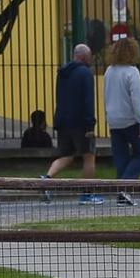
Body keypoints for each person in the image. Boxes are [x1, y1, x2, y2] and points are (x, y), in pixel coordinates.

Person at [42, 44, 100, 204]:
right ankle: (87, 194)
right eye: (89, 56)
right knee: (89, 157)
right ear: (83, 56)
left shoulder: (62, 73)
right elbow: (88, 100)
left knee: (66, 155)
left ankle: (46, 179)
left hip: (63, 120)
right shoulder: (85, 73)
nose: (91, 59)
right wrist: (90, 126)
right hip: (80, 122)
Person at [103, 36, 140, 207]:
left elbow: (106, 94)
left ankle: (122, 192)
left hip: (113, 120)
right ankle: (125, 187)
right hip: (130, 120)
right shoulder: (132, 72)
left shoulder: (109, 70)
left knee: (121, 156)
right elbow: (137, 99)